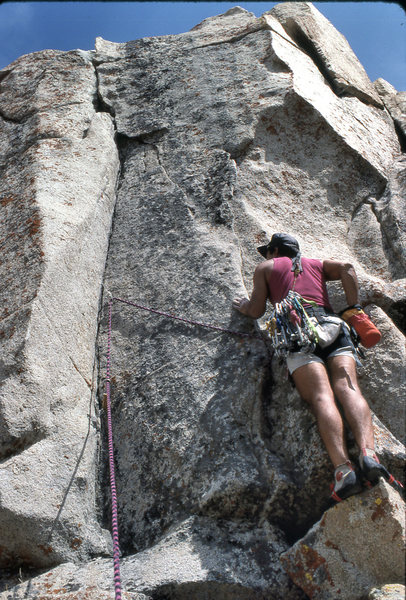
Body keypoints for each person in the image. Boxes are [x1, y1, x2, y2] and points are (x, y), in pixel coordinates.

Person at [233, 233, 402, 502]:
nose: (266, 256)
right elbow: (347, 267)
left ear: (274, 251)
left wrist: (243, 308)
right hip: (333, 326)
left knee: (322, 397)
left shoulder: (266, 267)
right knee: (349, 389)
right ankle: (369, 454)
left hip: (296, 331)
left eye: (268, 251)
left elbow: (256, 310)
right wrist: (353, 307)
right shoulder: (316, 264)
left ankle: (344, 470)